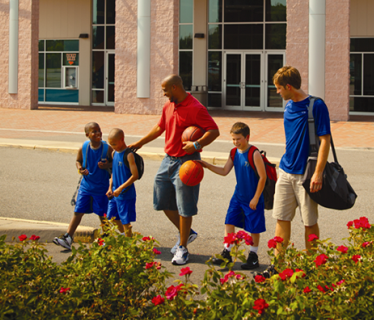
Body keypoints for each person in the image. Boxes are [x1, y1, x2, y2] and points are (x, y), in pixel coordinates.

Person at [128, 74, 220, 265]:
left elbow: (213, 130)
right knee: (160, 200)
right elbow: (159, 127)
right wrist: (140, 143)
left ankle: (183, 248)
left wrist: (196, 145)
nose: (164, 94)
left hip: (188, 161)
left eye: (165, 90)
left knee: (185, 206)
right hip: (168, 159)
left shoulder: (196, 108)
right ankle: (188, 233)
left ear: (176, 87)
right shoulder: (169, 105)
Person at [264, 65, 331, 275]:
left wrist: (318, 173)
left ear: (289, 86)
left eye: (278, 88)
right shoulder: (288, 107)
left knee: (309, 222)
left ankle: (314, 268)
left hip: (306, 173)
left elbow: (325, 141)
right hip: (285, 171)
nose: (277, 92)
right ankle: (278, 266)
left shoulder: (316, 106)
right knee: (281, 218)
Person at [199, 122, 266, 270]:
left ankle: (253, 257)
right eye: (233, 139)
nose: (236, 142)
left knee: (254, 229)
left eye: (238, 139)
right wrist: (207, 165)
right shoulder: (234, 152)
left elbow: (263, 177)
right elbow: (224, 171)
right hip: (238, 197)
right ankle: (226, 253)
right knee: (229, 222)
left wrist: (255, 198)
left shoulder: (254, 154)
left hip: (252, 198)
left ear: (247, 137)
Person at [54, 122, 110, 250]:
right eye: (94, 131)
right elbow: (78, 161)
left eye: (99, 130)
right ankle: (68, 237)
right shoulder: (84, 148)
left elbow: (114, 163)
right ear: (87, 135)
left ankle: (107, 238)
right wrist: (80, 168)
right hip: (86, 187)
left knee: (102, 214)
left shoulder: (107, 149)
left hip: (101, 188)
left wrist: (107, 165)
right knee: (78, 211)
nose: (98, 133)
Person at [106, 128, 138, 237]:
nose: (112, 147)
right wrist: (110, 187)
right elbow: (113, 172)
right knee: (111, 217)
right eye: (110, 144)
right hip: (115, 193)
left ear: (122, 139)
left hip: (125, 194)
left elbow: (135, 175)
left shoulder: (129, 155)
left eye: (114, 144)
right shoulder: (114, 153)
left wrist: (120, 188)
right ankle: (126, 237)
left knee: (126, 222)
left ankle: (128, 245)